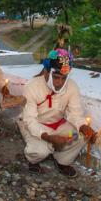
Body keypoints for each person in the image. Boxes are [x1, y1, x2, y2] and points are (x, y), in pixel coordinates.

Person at [18, 48, 95, 177]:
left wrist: (83, 126)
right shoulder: (32, 86)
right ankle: (34, 161)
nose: (59, 83)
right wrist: (49, 138)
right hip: (35, 126)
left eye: (63, 78)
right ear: (47, 72)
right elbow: (30, 120)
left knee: (80, 135)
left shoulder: (72, 86)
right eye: (56, 77)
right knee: (39, 151)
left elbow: (74, 113)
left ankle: (62, 160)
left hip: (58, 126)